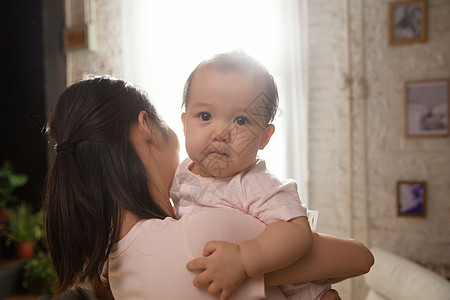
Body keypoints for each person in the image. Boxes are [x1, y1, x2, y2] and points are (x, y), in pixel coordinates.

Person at [43, 75, 373, 299]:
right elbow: (357, 257)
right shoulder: (200, 240)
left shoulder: (116, 272)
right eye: (203, 117)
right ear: (147, 128)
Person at [170, 52, 326, 299]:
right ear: (184, 123)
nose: (220, 133)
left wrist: (244, 259)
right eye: (205, 116)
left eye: (241, 121)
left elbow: (296, 231)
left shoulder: (254, 183)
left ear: (264, 137)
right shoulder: (181, 172)